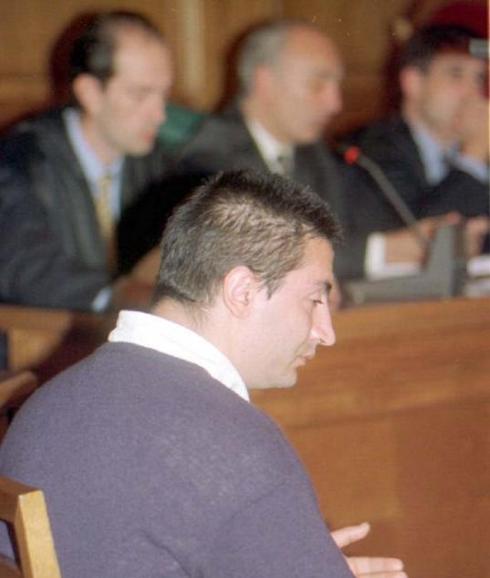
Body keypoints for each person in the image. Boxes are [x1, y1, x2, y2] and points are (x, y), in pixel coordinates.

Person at [0, 171, 407, 578]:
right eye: (315, 299)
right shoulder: (234, 444)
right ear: (242, 291)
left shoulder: (48, 401)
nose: (326, 333)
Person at [180, 19, 466, 285]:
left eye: (336, 85)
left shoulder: (314, 152)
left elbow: (354, 228)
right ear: (265, 82)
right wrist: (382, 252)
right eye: (318, 84)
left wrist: (424, 239)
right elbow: (256, 256)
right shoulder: (210, 153)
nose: (335, 104)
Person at [0, 10, 180, 311]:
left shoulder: (160, 165)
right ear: (90, 92)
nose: (160, 115)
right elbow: (25, 266)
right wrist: (119, 297)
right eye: (140, 95)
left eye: (164, 95)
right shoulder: (19, 161)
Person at [352, 24, 489, 233]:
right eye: (456, 74)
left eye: (479, 79)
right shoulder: (370, 152)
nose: (473, 93)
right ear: (413, 82)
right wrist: (473, 155)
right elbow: (419, 240)